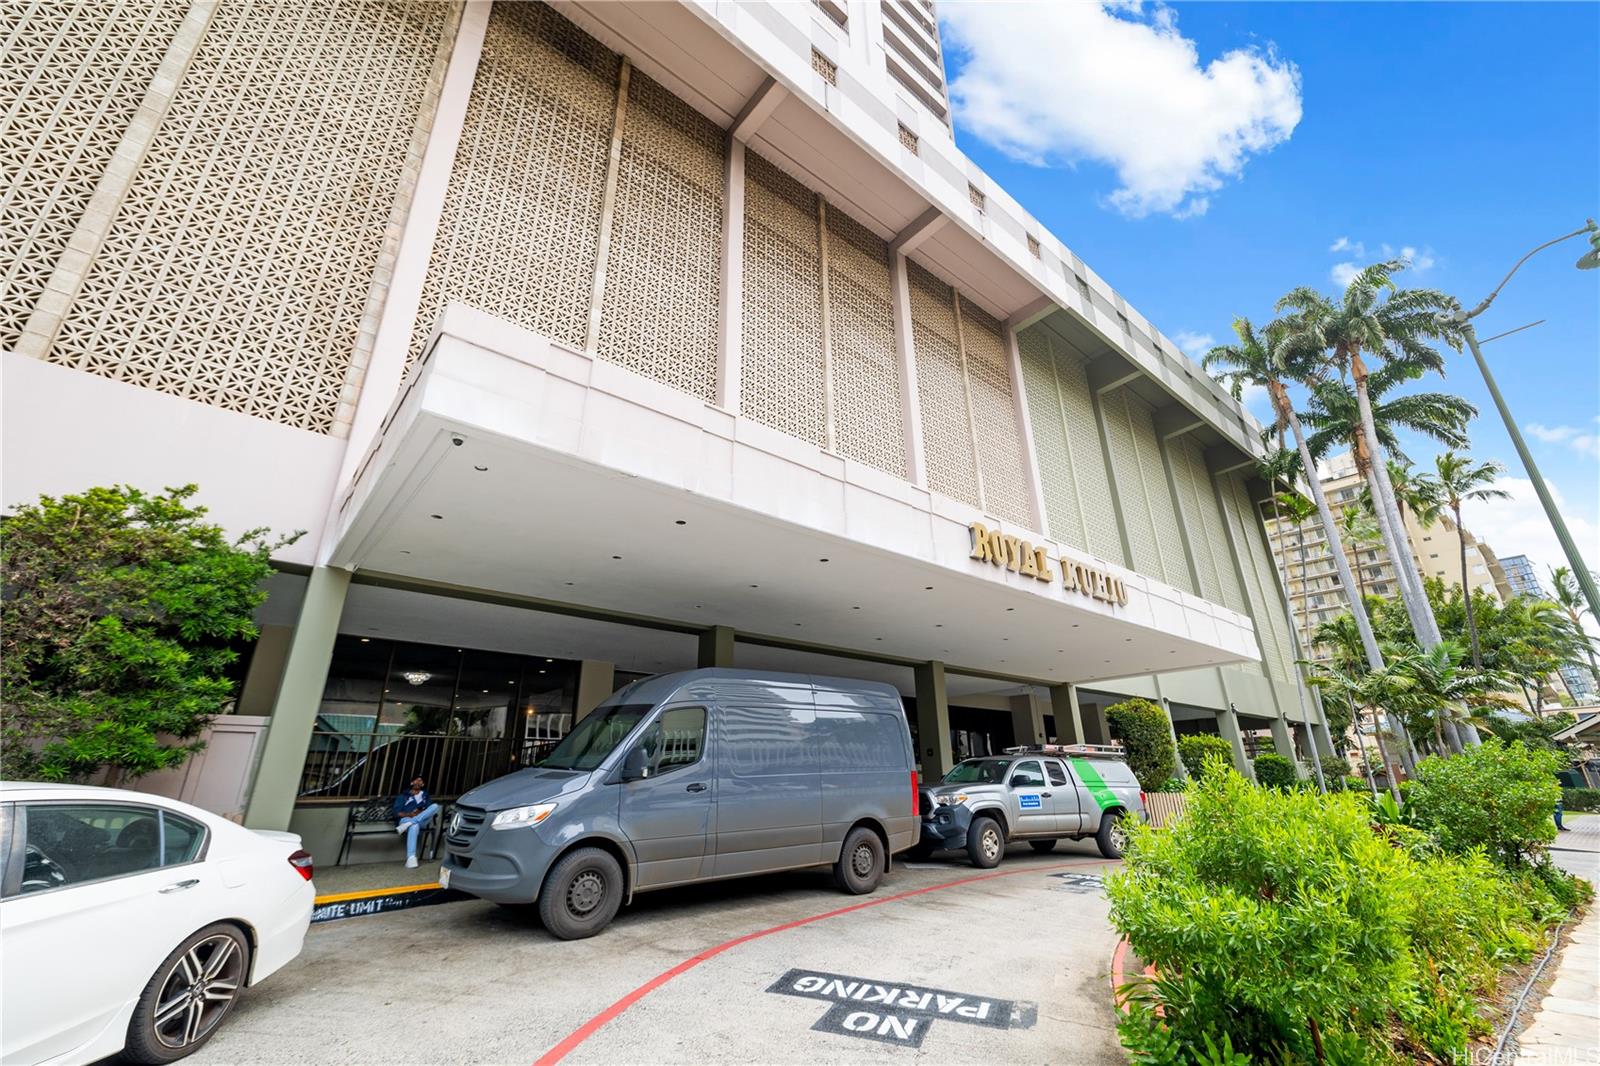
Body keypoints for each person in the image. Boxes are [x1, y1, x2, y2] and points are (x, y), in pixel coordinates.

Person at [393, 776, 441, 868]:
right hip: (405, 820)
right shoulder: (403, 796)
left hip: (421, 821)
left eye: (421, 781)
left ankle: (411, 823)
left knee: (435, 806)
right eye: (416, 780)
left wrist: (420, 812)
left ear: (423, 784)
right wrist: (409, 814)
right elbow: (396, 813)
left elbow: (429, 810)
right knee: (414, 826)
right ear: (412, 783)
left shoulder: (425, 796)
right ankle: (411, 858)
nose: (418, 782)